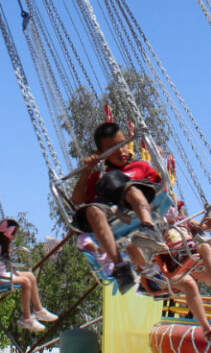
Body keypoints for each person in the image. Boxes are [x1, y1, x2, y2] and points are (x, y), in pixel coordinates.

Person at [69, 122, 167, 294]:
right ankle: (121, 266)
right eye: (113, 148)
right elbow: (77, 200)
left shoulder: (141, 167)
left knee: (127, 186)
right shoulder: (100, 176)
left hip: (138, 199)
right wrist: (86, 172)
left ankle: (148, 228)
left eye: (123, 145)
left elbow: (161, 189)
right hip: (114, 212)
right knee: (92, 210)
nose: (121, 152)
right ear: (101, 154)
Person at [0, 220, 58, 333]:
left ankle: (39, 310)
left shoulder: (3, 245)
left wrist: (14, 273)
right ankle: (27, 318)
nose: (16, 235)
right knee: (26, 282)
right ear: (10, 233)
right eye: (15, 232)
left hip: (0, 275)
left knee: (30, 276)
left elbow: (1, 265)